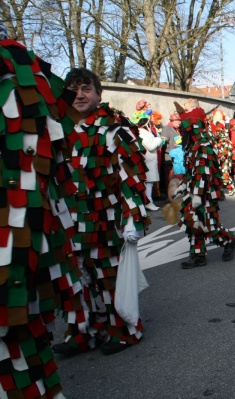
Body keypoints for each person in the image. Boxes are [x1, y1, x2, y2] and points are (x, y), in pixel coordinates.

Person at [0, 28, 85, 398]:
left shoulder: (18, 70)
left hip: (27, 234)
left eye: (87, 89)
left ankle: (107, 327)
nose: (80, 96)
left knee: (21, 340)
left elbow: (43, 169)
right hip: (33, 228)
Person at [52, 68, 151, 356]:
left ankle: (125, 331)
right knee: (73, 281)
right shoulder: (59, 128)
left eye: (86, 89)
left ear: (98, 94)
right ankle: (83, 333)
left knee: (107, 278)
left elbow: (131, 176)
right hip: (70, 220)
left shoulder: (114, 128)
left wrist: (132, 218)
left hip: (105, 220)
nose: (79, 95)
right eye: (73, 89)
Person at [172, 103, 235, 269]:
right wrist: (183, 187)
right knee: (192, 223)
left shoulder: (204, 148)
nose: (182, 135)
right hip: (192, 193)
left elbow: (204, 175)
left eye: (185, 131)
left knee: (207, 223)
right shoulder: (192, 148)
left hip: (205, 194)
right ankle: (198, 255)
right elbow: (192, 173)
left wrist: (198, 196)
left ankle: (229, 241)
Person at [138, 117, 164, 210]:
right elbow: (151, 146)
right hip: (147, 160)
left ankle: (148, 202)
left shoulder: (146, 133)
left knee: (149, 183)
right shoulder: (142, 133)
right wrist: (158, 139)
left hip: (149, 160)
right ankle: (149, 202)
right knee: (148, 183)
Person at [162, 112, 181, 181]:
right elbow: (163, 142)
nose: (179, 122)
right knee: (170, 178)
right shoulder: (167, 128)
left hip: (176, 157)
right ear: (173, 121)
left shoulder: (176, 130)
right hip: (169, 157)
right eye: (178, 120)